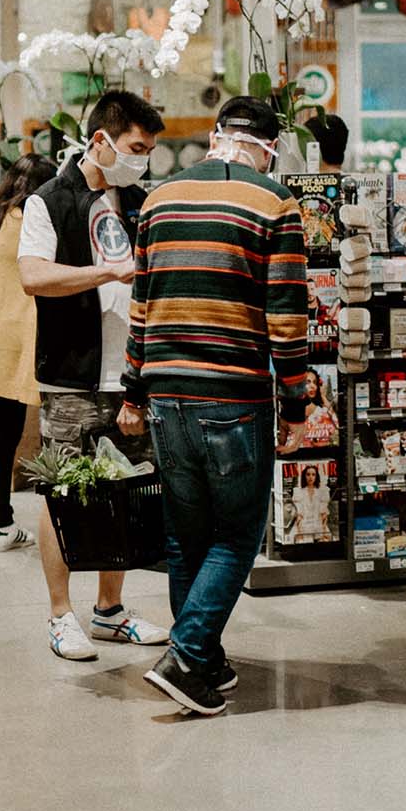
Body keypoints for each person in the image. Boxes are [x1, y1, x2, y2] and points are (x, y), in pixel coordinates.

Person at [121, 96, 309, 716]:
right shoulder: (275, 202)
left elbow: (140, 306)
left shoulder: (157, 199)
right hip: (233, 395)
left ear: (214, 136)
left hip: (165, 394)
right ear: (270, 147)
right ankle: (185, 652)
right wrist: (297, 402)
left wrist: (131, 387)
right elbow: (285, 315)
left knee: (186, 537)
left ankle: (206, 662)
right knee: (236, 537)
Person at [19, 91, 172, 661]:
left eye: (149, 150)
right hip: (73, 373)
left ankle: (110, 611)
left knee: (125, 491)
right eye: (136, 147)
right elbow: (33, 276)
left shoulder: (141, 202)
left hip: (132, 374)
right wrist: (103, 271)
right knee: (64, 494)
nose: (143, 159)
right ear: (101, 140)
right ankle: (61, 615)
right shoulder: (50, 201)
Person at [0, 154, 55, 552]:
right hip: (24, 338)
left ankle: (0, 523)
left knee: (4, 435)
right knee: (52, 432)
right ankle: (60, 523)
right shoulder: (30, 225)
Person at [288, 463, 331, 541]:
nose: (310, 477)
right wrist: (299, 531)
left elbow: (324, 516)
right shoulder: (299, 492)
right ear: (304, 476)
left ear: (316, 476)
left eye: (313, 474)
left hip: (318, 524)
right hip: (304, 525)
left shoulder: (321, 491)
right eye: (308, 474)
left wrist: (324, 530)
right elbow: (299, 516)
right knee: (303, 542)